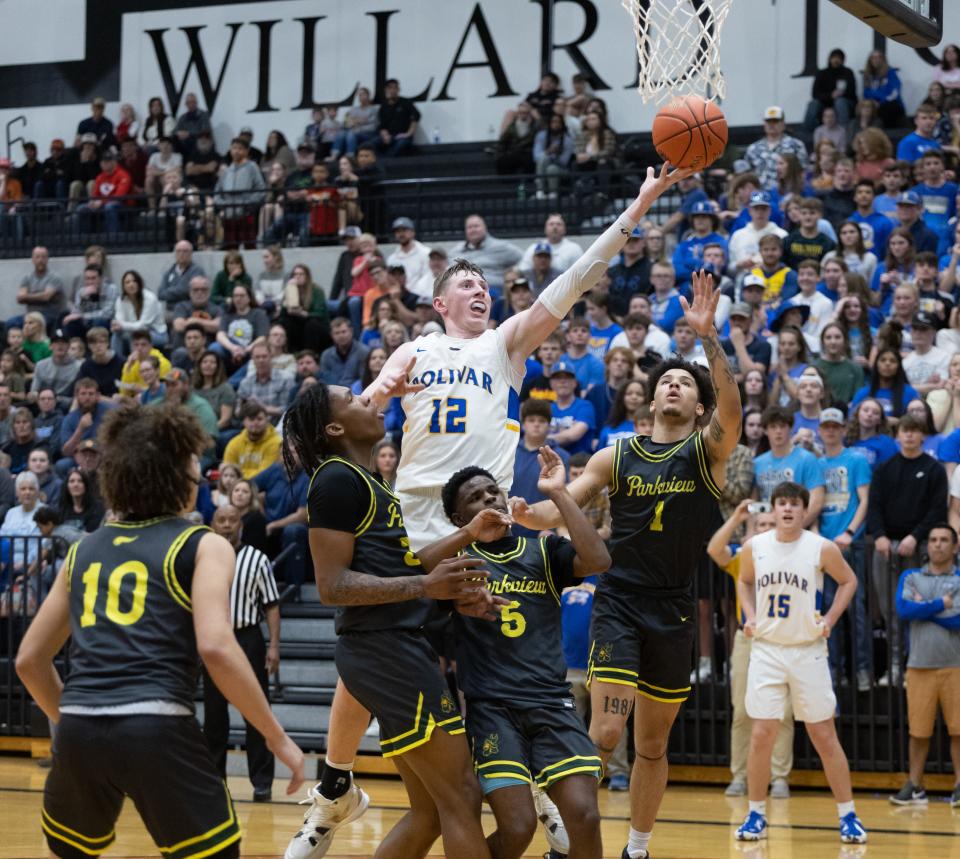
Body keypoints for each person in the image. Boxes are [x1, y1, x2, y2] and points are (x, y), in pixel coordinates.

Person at [289, 163, 698, 855]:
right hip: (412, 521)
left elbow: (572, 285)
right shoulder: (413, 348)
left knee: (492, 650)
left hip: (478, 522)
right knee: (375, 643)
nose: (479, 290)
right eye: (465, 285)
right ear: (440, 301)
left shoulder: (504, 345)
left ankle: (530, 783)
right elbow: (361, 408)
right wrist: (372, 402)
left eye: (484, 286)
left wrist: (637, 206)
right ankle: (334, 783)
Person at [512, 272, 742, 859]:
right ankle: (570, 841)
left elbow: (734, 412)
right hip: (619, 601)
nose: (671, 387)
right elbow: (565, 502)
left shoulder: (706, 452)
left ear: (696, 405)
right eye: (664, 380)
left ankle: (636, 848)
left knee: (653, 745)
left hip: (673, 607)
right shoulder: (618, 452)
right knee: (607, 731)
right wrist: (524, 512)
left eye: (682, 384)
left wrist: (708, 339)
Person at [15, 403, 304, 859]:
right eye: (193, 463)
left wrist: (73, 722)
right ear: (175, 476)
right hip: (158, 725)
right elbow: (216, 647)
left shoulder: (84, 549)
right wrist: (276, 736)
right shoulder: (204, 544)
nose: (199, 472)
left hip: (79, 727)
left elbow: (29, 661)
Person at [282, 382, 500, 859]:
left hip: (393, 647)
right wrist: (427, 588)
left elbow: (401, 568)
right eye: (355, 399)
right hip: (385, 650)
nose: (370, 400)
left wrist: (464, 540)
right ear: (335, 427)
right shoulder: (336, 478)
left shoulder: (369, 480)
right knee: (462, 795)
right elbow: (332, 586)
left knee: (430, 811)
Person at [432, 452, 609, 858]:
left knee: (585, 816)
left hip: (551, 701)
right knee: (517, 826)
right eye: (475, 498)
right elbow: (419, 584)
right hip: (493, 707)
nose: (489, 499)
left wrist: (559, 493)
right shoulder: (456, 566)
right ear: (461, 520)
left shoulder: (543, 551)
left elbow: (599, 559)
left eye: (493, 491)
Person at [734, 481, 867, 844]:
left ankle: (848, 814)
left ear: (804, 510)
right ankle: (756, 814)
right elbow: (743, 583)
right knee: (762, 734)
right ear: (773, 509)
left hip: (807, 650)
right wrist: (750, 615)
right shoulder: (754, 547)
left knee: (824, 734)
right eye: (782, 504)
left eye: (794, 504)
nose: (788, 509)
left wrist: (831, 618)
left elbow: (849, 581)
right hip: (768, 650)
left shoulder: (820, 547)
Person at [707, 500, 794, 798]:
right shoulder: (746, 555)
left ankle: (779, 777)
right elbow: (714, 550)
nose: (766, 529)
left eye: (771, 525)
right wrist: (736, 518)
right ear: (750, 532)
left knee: (782, 711)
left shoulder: (794, 555)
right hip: (749, 639)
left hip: (784, 639)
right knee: (742, 710)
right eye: (761, 525)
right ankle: (740, 775)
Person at [203, 504, 281, 801]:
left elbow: (272, 604)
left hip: (248, 638)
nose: (226, 525)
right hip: (215, 638)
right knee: (214, 716)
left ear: (241, 526)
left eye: (231, 520)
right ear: (213, 525)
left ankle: (262, 782)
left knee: (256, 712)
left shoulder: (258, 559)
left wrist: (274, 645)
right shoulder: (203, 559)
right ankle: (215, 781)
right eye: (220, 520)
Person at [868, 415, 948, 686]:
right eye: (905, 431)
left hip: (920, 547)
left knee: (919, 609)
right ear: (897, 435)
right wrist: (878, 536)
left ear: (923, 436)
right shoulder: (885, 468)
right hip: (885, 549)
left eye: (915, 431)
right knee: (891, 610)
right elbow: (874, 506)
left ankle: (916, 666)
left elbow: (938, 509)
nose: (910, 436)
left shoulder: (934, 469)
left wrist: (915, 537)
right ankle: (894, 665)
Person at [889, 522, 960, 808]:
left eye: (944, 540)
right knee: (918, 731)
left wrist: (925, 607)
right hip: (919, 665)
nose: (938, 544)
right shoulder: (910, 575)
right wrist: (940, 603)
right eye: (932, 540)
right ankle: (915, 784)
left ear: (955, 547)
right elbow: (904, 610)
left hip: (955, 665)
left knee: (958, 730)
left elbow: (958, 620)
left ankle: (958, 785)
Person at [223, 402, 282, 480]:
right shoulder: (234, 443)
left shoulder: (277, 443)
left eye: (259, 419)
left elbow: (265, 474)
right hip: (237, 487)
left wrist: (238, 476)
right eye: (251, 419)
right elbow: (227, 470)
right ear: (244, 422)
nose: (255, 423)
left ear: (267, 420)